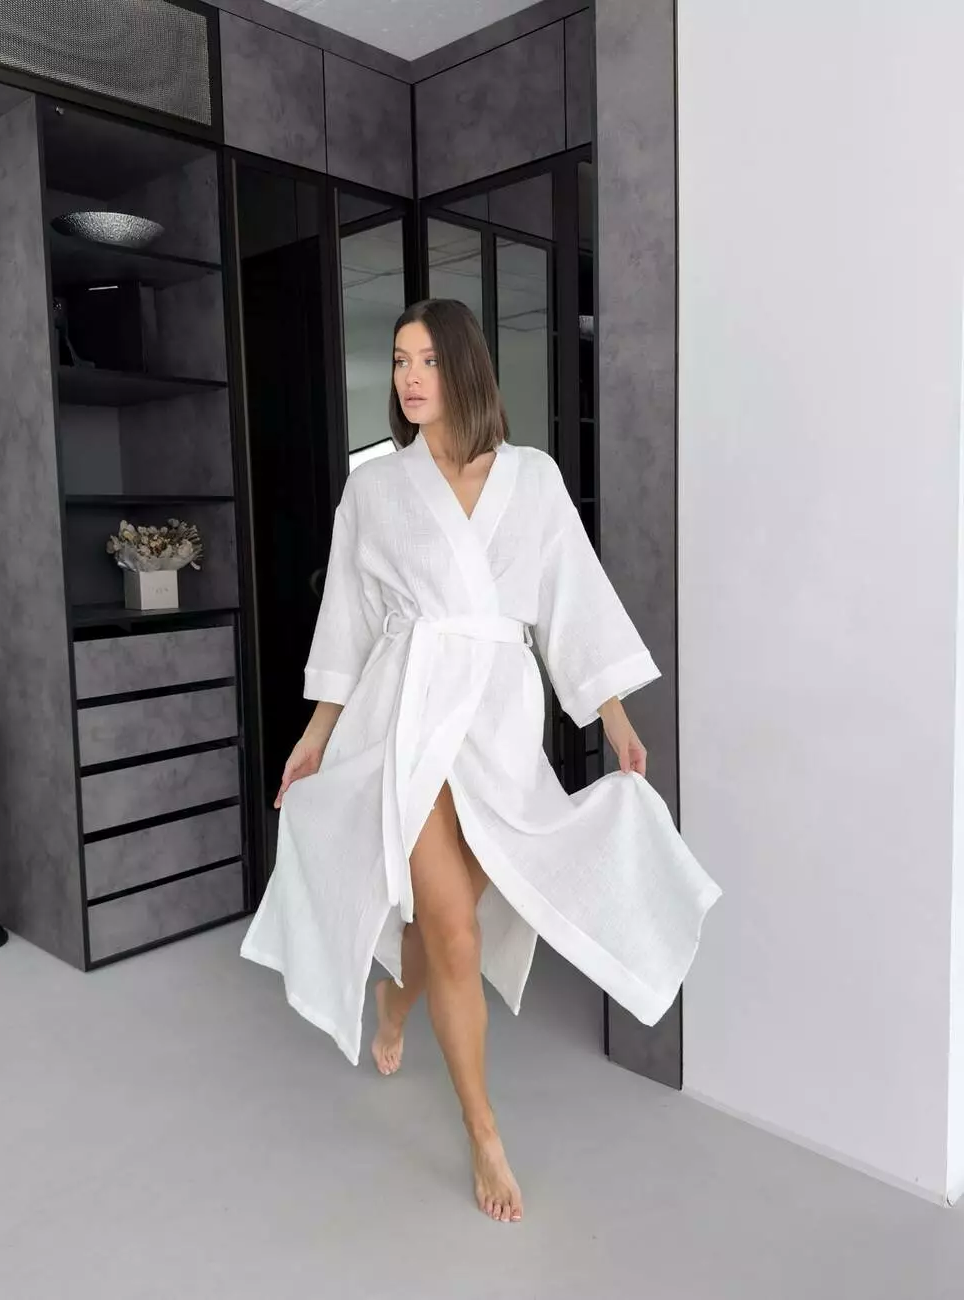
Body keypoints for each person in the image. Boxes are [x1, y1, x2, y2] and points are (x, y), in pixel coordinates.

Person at [240, 299, 722, 1224]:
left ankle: (396, 1000)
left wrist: (614, 716)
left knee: (460, 907)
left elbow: (572, 599)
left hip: (496, 724)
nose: (408, 378)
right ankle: (483, 1130)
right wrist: (314, 735)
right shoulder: (376, 491)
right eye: (397, 361)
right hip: (406, 714)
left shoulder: (532, 479)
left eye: (425, 359)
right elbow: (347, 619)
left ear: (464, 366)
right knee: (453, 928)